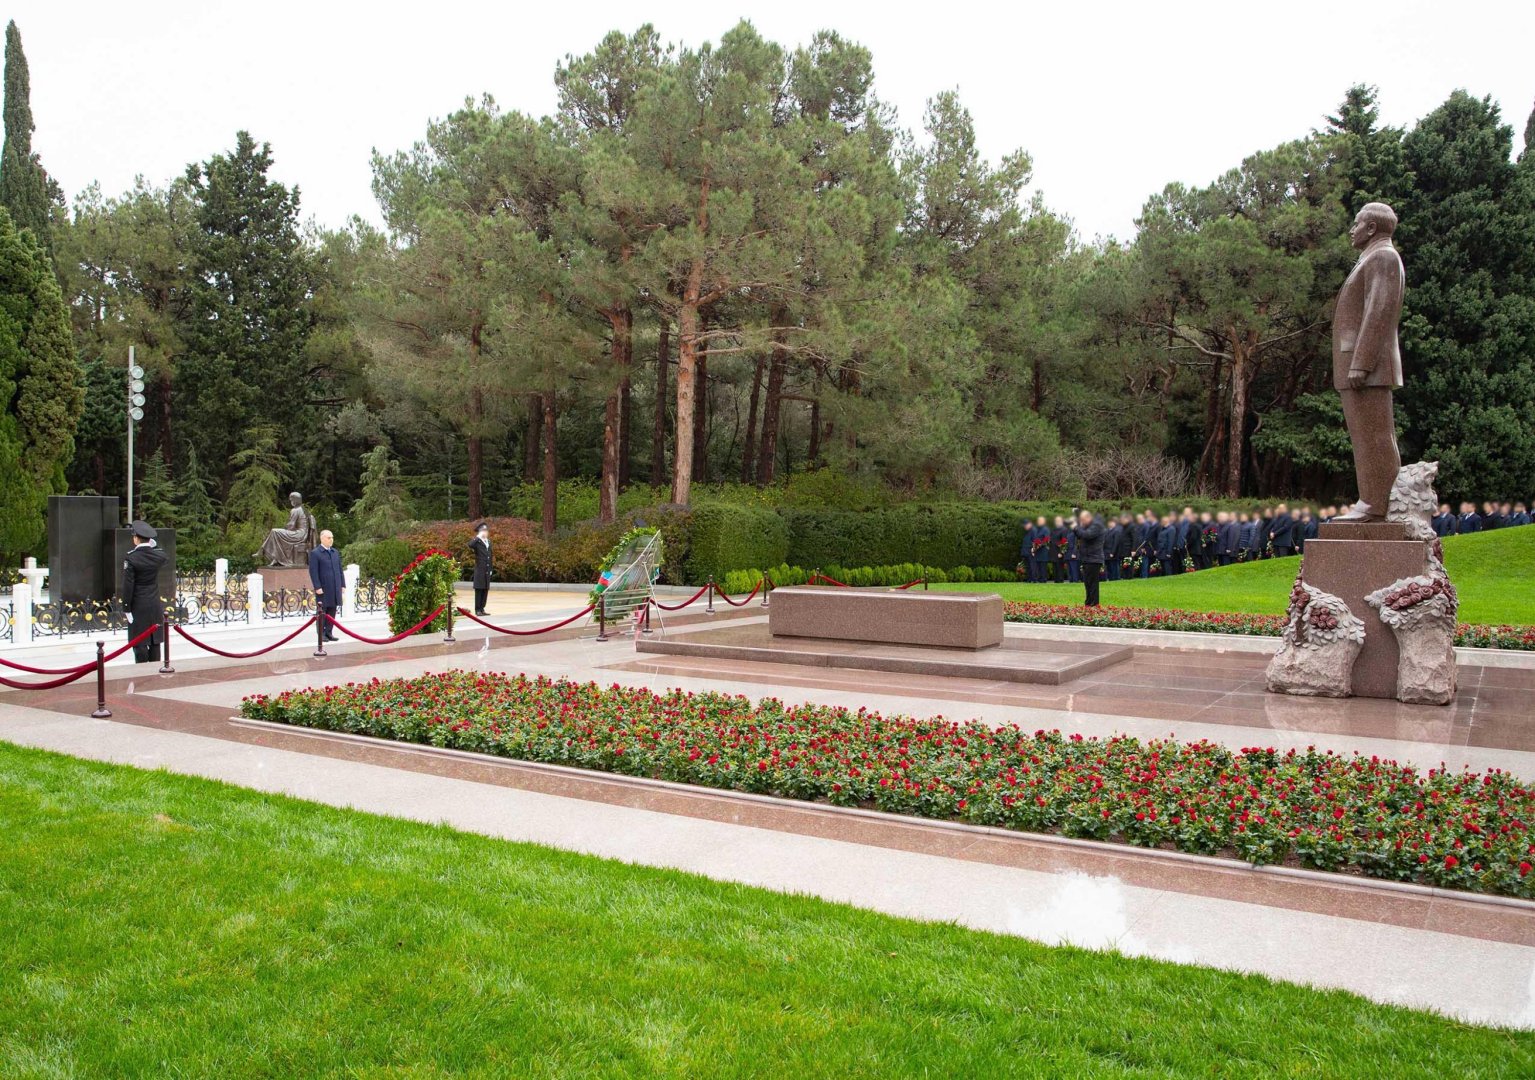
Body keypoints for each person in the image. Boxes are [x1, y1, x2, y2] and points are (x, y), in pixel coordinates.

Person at [1333, 202, 1405, 522]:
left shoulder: (1383, 257)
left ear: (1372, 228)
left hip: (1367, 368)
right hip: (1361, 366)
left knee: (1373, 436)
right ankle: (1372, 501)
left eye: (1358, 223)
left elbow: (1380, 311)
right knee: (1365, 436)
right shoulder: (1372, 258)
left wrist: (1361, 362)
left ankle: (1376, 504)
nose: (1353, 229)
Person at [121, 520, 167, 664]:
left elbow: (128, 585)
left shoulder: (132, 558)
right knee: (155, 642)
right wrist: (151, 545)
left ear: (136, 538)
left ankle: (141, 673)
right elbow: (162, 554)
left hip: (138, 605)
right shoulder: (158, 556)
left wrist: (126, 608)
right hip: (154, 604)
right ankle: (154, 672)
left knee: (139, 642)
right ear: (150, 540)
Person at [308, 529, 344, 641]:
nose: (331, 540)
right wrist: (317, 587)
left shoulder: (335, 552)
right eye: (329, 538)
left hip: (335, 587)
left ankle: (329, 632)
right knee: (322, 611)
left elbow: (340, 570)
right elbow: (313, 572)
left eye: (332, 537)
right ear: (322, 538)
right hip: (323, 588)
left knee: (332, 610)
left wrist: (342, 584)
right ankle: (321, 634)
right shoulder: (316, 553)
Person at [1072, 509, 1106, 606]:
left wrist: (1075, 527)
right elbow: (1080, 535)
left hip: (1094, 558)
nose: (1082, 522)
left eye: (1083, 520)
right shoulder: (1089, 526)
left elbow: (1086, 535)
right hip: (1087, 558)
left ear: (1088, 517)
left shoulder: (1096, 525)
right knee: (1087, 583)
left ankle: (1094, 604)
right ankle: (1088, 603)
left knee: (1092, 583)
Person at [469, 521, 492, 615]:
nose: (485, 532)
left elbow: (491, 556)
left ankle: (482, 608)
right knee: (479, 589)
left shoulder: (488, 542)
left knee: (485, 589)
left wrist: (490, 568)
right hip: (480, 569)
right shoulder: (477, 542)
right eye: (483, 530)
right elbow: (470, 545)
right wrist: (478, 537)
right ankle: (477, 609)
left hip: (487, 569)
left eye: (486, 530)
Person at [1112, 513, 1135, 580]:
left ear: (1126, 519)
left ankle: (1129, 577)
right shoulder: (1122, 527)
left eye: (1122, 520)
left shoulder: (1131, 526)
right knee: (1124, 564)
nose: (1121, 521)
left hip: (1128, 549)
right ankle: (1124, 576)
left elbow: (1134, 538)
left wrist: (1133, 550)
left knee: (1128, 563)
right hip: (1122, 549)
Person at [1102, 516, 1123, 581]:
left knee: (1114, 566)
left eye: (1111, 522)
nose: (1110, 524)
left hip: (1113, 552)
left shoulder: (1116, 531)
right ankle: (1110, 578)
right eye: (1109, 522)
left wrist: (1112, 552)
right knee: (1108, 566)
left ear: (1114, 523)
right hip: (1106, 552)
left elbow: (1116, 543)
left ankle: (1116, 578)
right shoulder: (1107, 531)